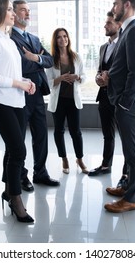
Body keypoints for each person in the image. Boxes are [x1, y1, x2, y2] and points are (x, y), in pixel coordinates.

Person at [0, 0, 35, 223]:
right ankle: (15, 199)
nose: (14, 13)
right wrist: (19, 83)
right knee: (19, 152)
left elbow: (10, 72)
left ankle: (8, 190)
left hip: (17, 101)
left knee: (12, 151)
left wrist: (25, 81)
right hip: (0, 101)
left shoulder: (9, 40)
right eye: (11, 9)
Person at [100, 0, 135, 213]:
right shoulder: (126, 31)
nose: (113, 9)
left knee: (134, 154)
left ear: (127, 5)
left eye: (115, 4)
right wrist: (110, 77)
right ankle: (127, 187)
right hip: (123, 101)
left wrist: (123, 103)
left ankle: (132, 199)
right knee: (129, 152)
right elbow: (124, 67)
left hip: (129, 104)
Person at [10, 0, 60, 191]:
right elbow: (20, 65)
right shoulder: (10, 39)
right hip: (20, 94)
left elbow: (50, 60)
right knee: (19, 138)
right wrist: (35, 60)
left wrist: (35, 57)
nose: (28, 14)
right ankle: (21, 176)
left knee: (41, 135)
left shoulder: (34, 39)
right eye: (23, 10)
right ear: (14, 14)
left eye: (29, 10)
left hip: (37, 94)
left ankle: (40, 173)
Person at [88, 11, 128, 185]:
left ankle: (126, 174)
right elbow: (100, 69)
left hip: (120, 97)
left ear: (118, 25)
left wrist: (108, 76)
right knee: (108, 134)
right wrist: (98, 78)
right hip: (104, 96)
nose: (105, 25)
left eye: (109, 23)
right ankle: (106, 165)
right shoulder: (103, 47)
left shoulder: (125, 45)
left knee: (126, 137)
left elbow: (127, 70)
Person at [46, 28, 88, 175]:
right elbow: (48, 82)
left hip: (73, 100)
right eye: (59, 37)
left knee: (76, 132)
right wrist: (61, 78)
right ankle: (64, 158)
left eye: (65, 36)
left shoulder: (75, 57)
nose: (62, 39)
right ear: (55, 40)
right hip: (58, 101)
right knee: (59, 131)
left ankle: (80, 159)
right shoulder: (51, 59)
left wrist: (77, 77)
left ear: (68, 39)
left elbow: (84, 76)